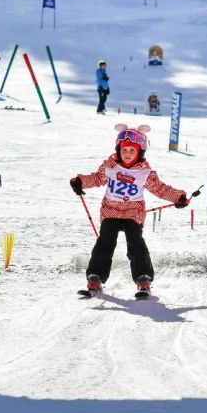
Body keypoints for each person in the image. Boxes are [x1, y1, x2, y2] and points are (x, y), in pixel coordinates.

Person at [70, 124, 188, 298]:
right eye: (124, 150)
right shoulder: (110, 166)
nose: (127, 154)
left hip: (133, 214)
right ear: (118, 150)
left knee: (136, 244)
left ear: (140, 152)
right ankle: (96, 277)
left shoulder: (145, 172)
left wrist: (177, 197)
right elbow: (97, 178)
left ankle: (143, 278)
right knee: (105, 243)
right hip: (110, 211)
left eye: (132, 150)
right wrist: (81, 181)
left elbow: (160, 189)